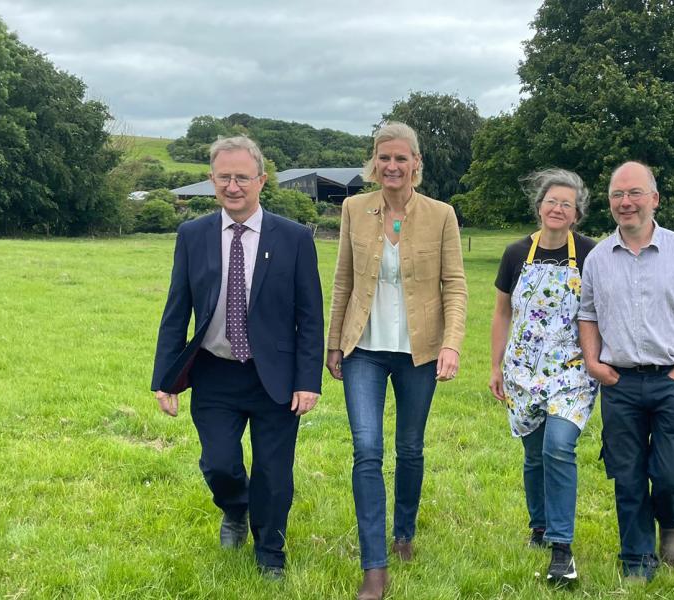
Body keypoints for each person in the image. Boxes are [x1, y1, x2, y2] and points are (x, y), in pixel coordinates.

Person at [151, 135, 324, 580]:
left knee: (273, 471)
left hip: (276, 377)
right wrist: (165, 378)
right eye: (224, 177)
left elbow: (310, 315)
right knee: (219, 462)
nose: (233, 186)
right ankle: (235, 508)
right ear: (212, 180)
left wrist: (309, 380)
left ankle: (271, 553)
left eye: (242, 177)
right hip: (214, 373)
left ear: (261, 181)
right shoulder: (192, 235)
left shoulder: (294, 238)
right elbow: (177, 309)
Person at [325, 121, 467, 600]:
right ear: (374, 162)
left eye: (400, 159)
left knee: (409, 448)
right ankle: (374, 567)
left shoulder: (441, 215)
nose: (391, 166)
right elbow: (343, 280)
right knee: (367, 450)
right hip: (362, 348)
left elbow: (456, 285)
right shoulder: (353, 209)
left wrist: (451, 344)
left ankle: (403, 533)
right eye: (383, 158)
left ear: (416, 164)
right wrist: (333, 343)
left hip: (419, 352)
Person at [578, 161, 674, 582]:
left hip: (672, 379)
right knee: (628, 475)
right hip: (619, 382)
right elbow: (587, 314)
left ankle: (672, 522)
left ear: (654, 199)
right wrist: (593, 362)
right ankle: (636, 560)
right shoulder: (599, 258)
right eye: (618, 195)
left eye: (635, 193)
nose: (626, 203)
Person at [489, 168, 600, 586]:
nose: (557, 208)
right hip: (522, 373)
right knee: (533, 455)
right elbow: (502, 313)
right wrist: (495, 366)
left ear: (576, 214)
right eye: (551, 201)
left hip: (571, 372)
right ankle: (538, 525)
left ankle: (561, 548)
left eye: (566, 204)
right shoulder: (516, 253)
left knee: (558, 447)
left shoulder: (591, 254)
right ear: (540, 206)